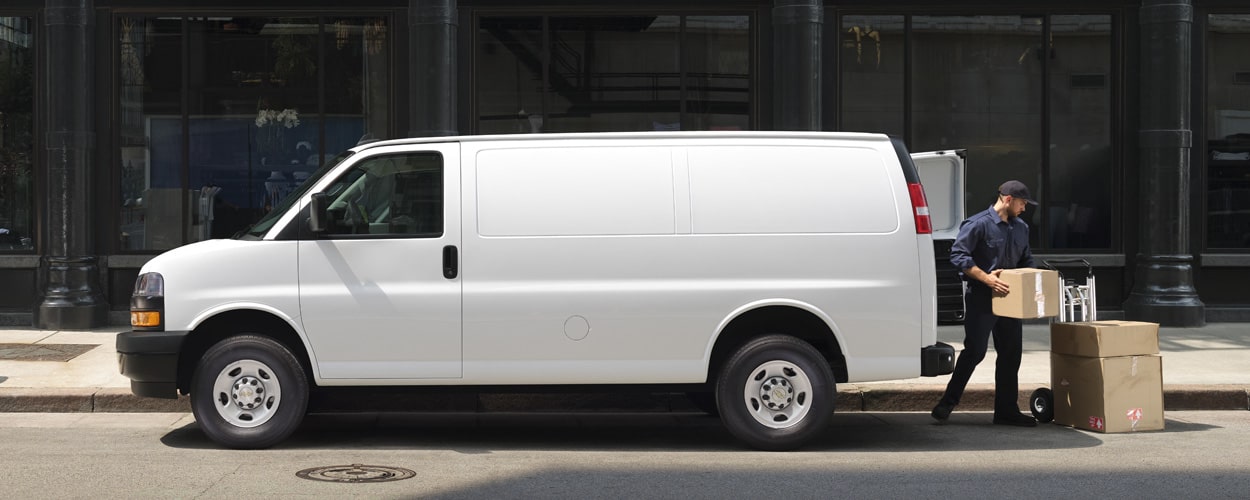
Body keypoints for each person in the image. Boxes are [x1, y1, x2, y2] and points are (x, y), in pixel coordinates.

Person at [931, 180, 1040, 427]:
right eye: (1023, 203)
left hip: (1010, 299)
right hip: (982, 297)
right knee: (975, 351)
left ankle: (1006, 412)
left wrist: (1031, 284)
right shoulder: (978, 224)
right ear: (1009, 199)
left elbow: (1027, 260)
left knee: (1011, 354)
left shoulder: (1021, 227)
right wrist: (987, 278)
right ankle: (947, 403)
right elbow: (958, 255)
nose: (1025, 209)